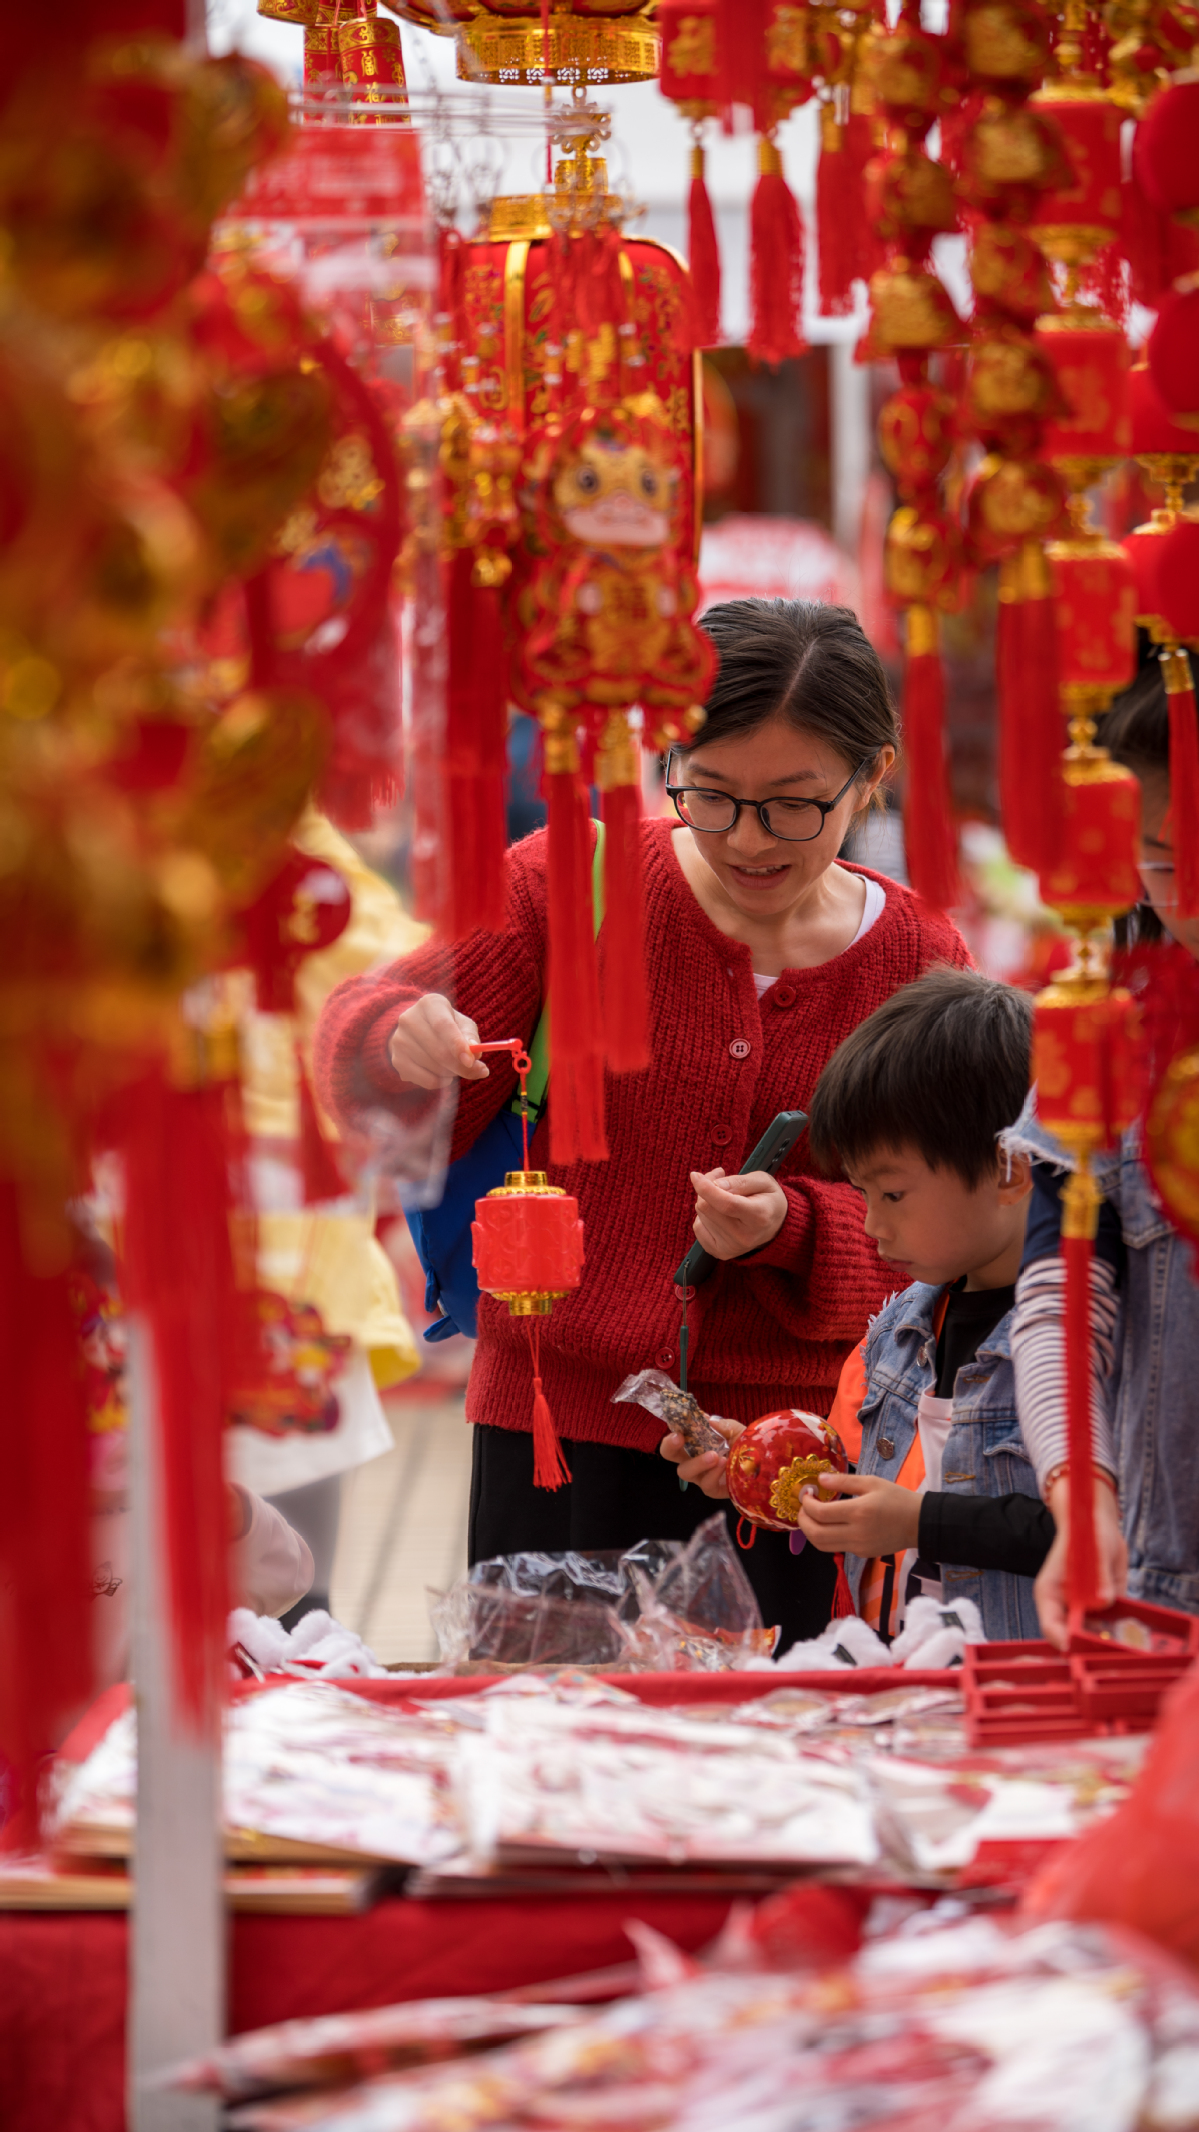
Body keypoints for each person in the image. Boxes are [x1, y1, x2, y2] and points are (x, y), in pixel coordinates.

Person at [316, 598, 970, 1651]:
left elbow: (956, 1228)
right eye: (708, 793)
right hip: (557, 1426)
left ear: (871, 775)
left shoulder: (915, 962)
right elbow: (351, 1042)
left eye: (793, 805)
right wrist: (401, 1036)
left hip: (797, 1457)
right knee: (554, 1756)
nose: (746, 838)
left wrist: (792, 1230)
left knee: (765, 1772)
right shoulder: (572, 883)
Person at [661, 967, 1054, 1643]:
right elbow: (863, 1477)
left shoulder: (1083, 1336)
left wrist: (919, 1523)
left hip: (1030, 1704)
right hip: (901, 1684)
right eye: (863, 1194)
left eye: (892, 1195)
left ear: (1008, 1169)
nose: (870, 1226)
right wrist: (775, 1469)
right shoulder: (897, 1332)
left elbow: (1120, 1531)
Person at [1008, 651, 1199, 1645]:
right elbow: (1059, 1291)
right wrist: (1077, 1491)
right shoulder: (1103, 1027)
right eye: (1161, 860)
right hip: (1167, 1587)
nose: (1190, 897)